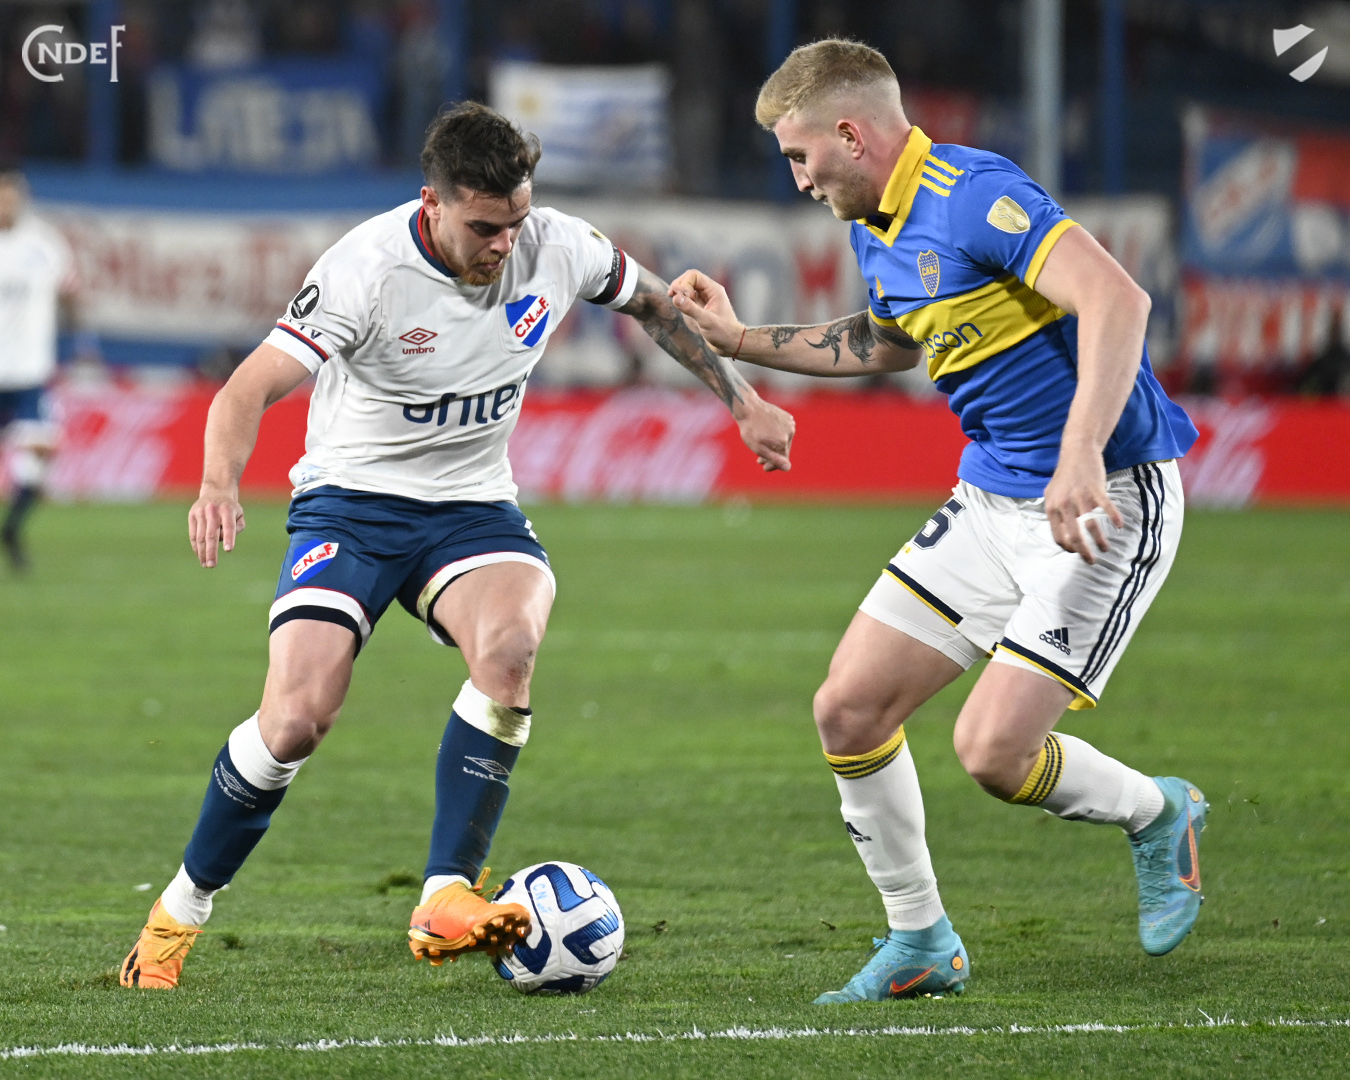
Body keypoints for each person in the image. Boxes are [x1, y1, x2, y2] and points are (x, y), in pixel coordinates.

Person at [120, 102, 795, 989]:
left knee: (510, 650)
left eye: (516, 221)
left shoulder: (558, 244)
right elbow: (243, 391)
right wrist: (218, 484)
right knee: (295, 720)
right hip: (352, 507)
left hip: (472, 507)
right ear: (432, 202)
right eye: (484, 227)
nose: (504, 245)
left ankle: (445, 894)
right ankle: (178, 915)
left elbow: (654, 304)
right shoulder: (365, 270)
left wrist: (743, 400)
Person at [669, 39, 1203, 1004]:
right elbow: (887, 341)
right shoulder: (875, 222)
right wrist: (739, 339)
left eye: (801, 156)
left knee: (993, 754)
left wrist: (1081, 450)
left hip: (1105, 497)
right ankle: (920, 939)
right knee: (847, 710)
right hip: (992, 499)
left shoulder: (973, 194)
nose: (799, 180)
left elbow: (1118, 300)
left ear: (851, 133)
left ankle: (1158, 813)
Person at [0, 168, 76, 572]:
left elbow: (69, 293)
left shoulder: (44, 244)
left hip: (30, 371)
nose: (7, 203)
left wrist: (76, 342)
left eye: (12, 195)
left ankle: (12, 527)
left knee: (41, 454)